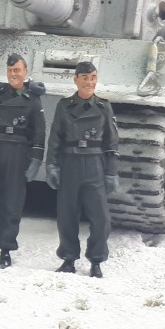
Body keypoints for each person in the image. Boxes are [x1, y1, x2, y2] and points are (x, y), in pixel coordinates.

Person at [45, 61, 120, 278]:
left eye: (93, 78)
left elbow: (111, 142)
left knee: (101, 218)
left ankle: (96, 260)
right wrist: (52, 165)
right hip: (70, 163)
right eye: (85, 78)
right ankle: (68, 258)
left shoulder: (104, 107)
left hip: (94, 164)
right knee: (67, 215)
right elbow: (55, 138)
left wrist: (111, 171)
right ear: (76, 79)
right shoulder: (64, 106)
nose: (89, 82)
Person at [0, 54, 46, 268]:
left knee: (12, 202)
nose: (14, 74)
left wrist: (35, 159)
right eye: (11, 70)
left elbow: (39, 132)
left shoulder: (33, 98)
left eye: (18, 70)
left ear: (25, 72)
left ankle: (6, 248)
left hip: (19, 151)